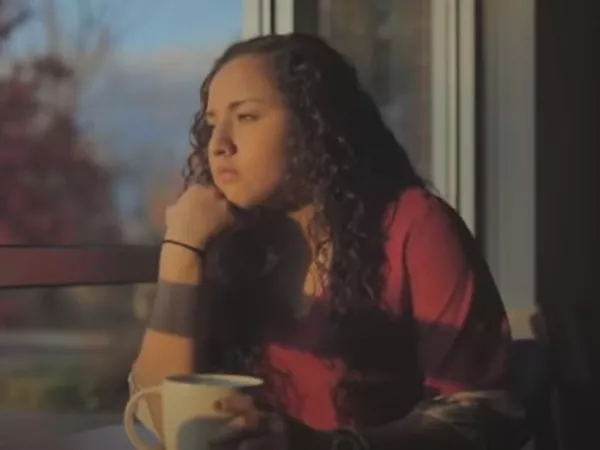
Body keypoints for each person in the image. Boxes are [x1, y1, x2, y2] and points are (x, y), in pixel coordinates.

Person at [130, 33, 527, 450]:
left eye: (246, 117)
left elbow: (482, 413)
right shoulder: (230, 243)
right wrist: (181, 250)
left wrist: (325, 446)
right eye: (211, 123)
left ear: (314, 124)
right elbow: (159, 424)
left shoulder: (415, 225)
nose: (218, 144)